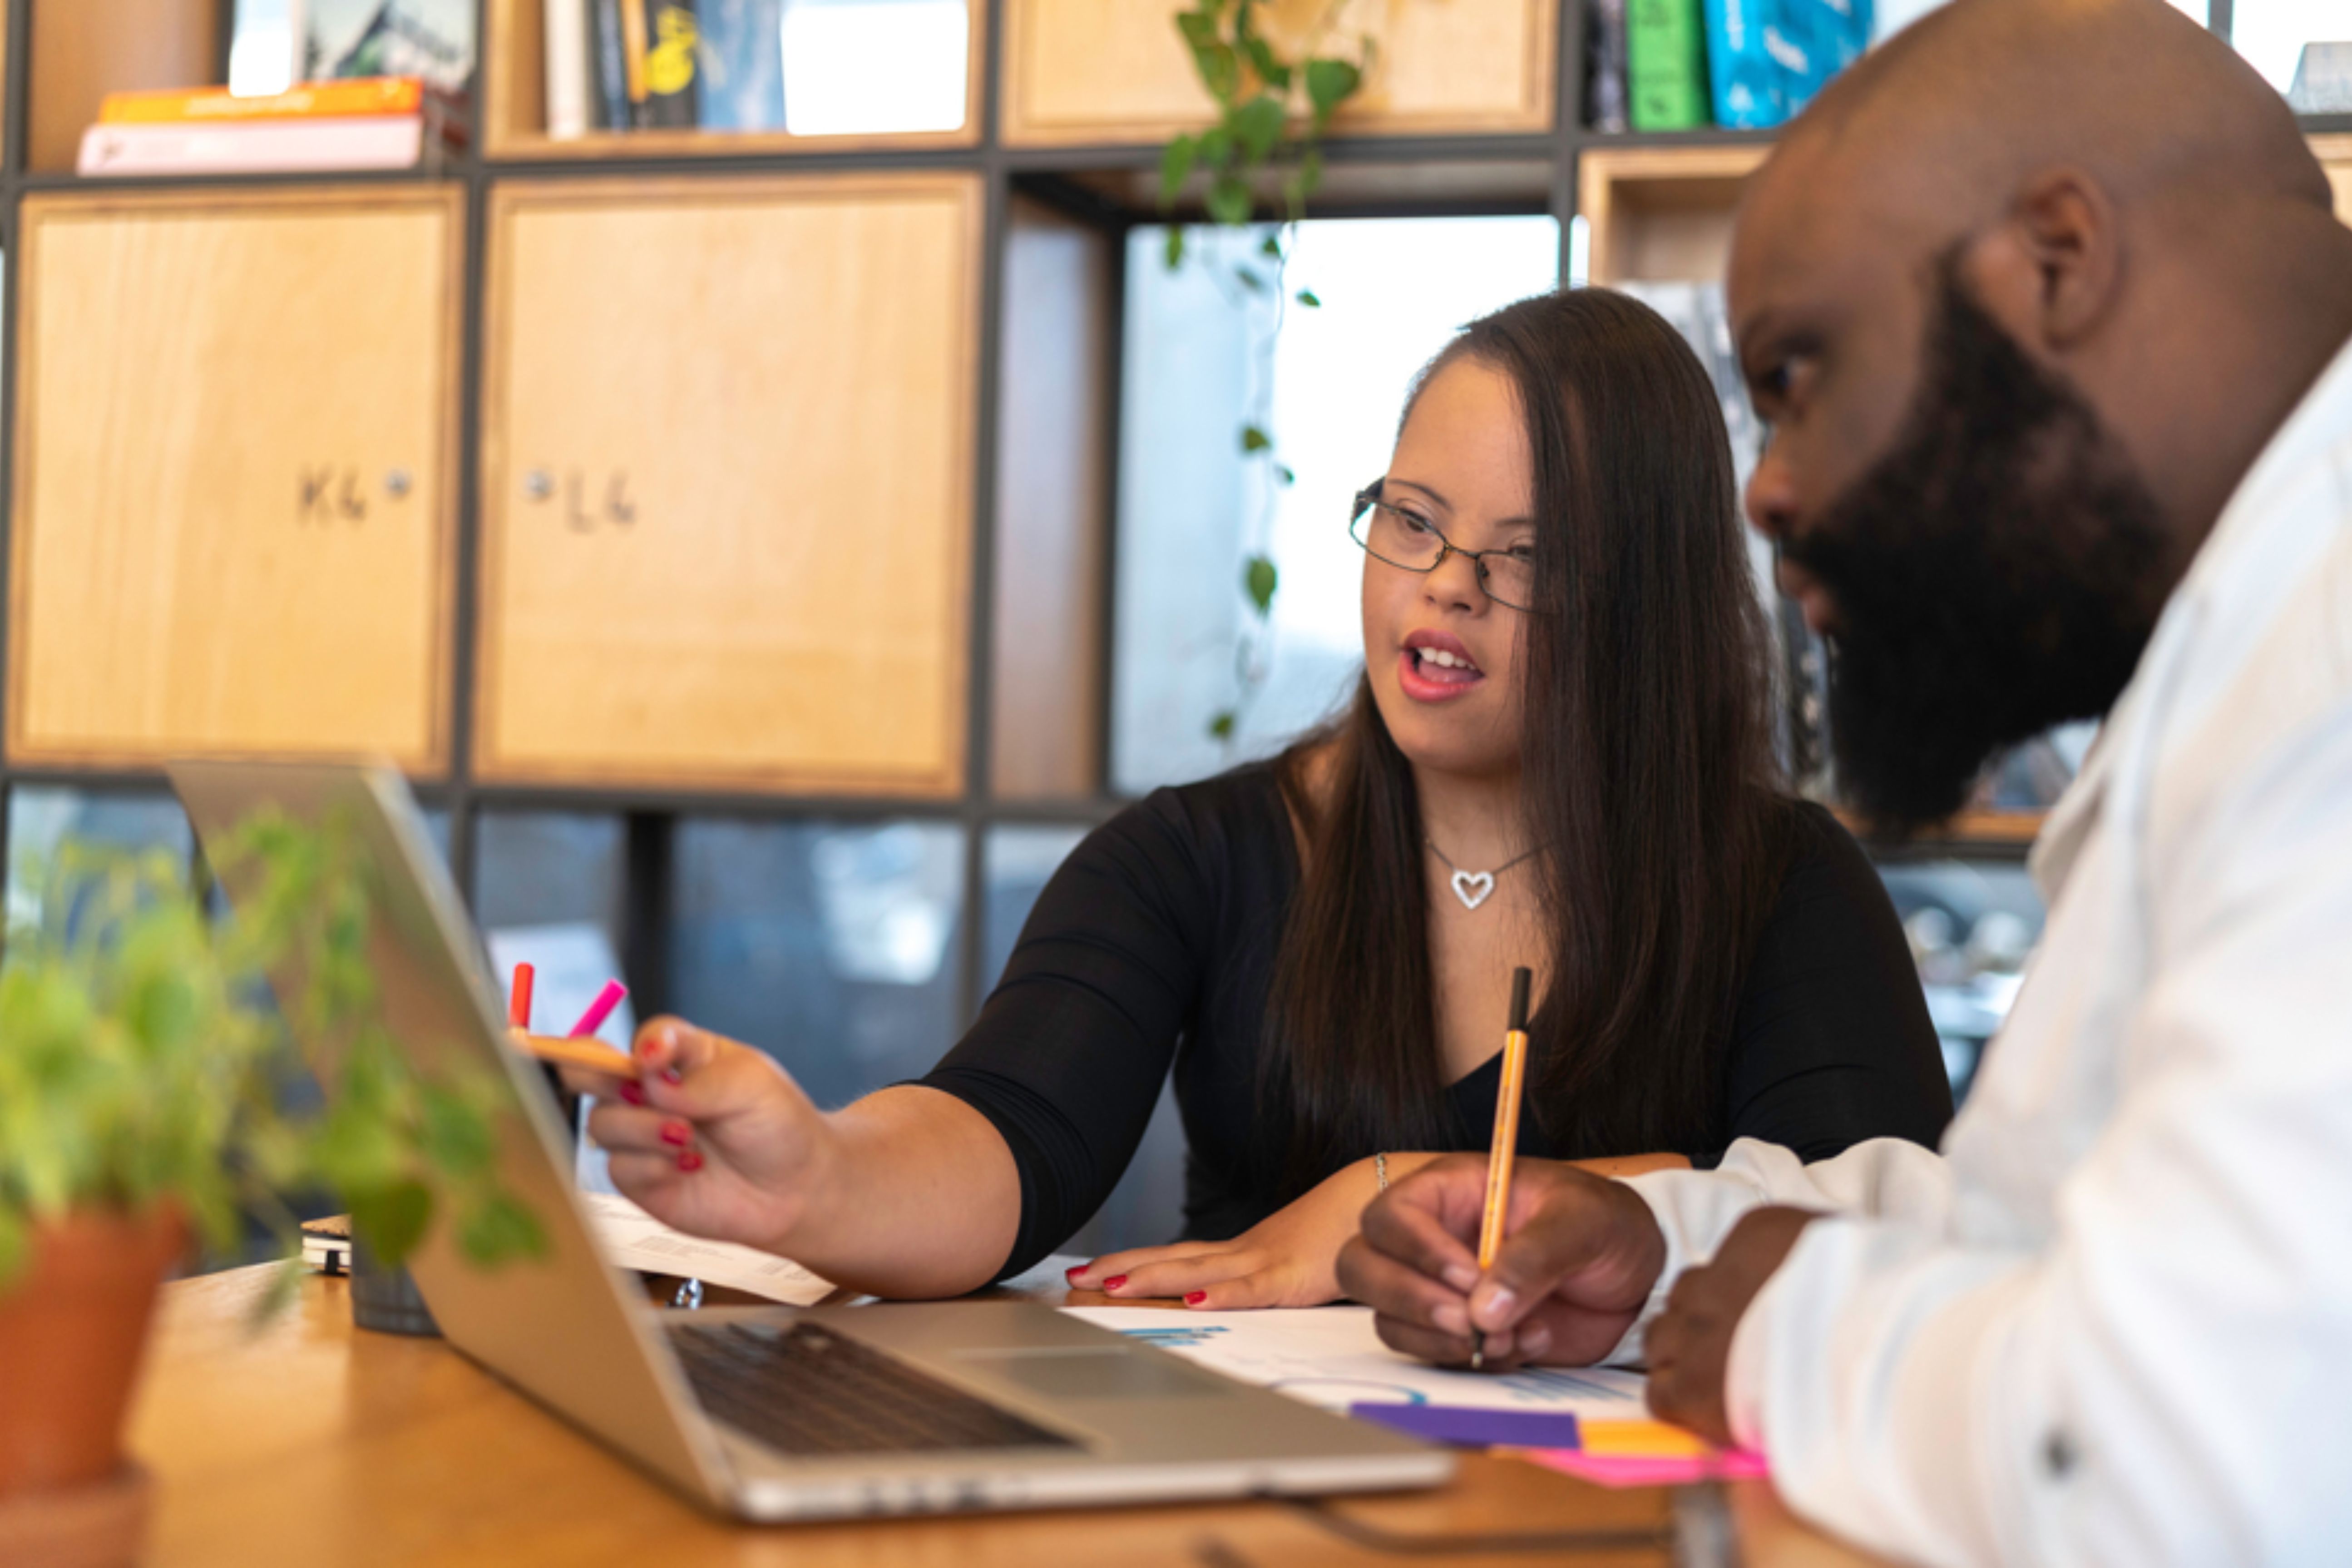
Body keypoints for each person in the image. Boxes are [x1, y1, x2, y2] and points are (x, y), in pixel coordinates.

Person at [1336, 1, 2352, 1562]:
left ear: (2056, 265)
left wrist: (1793, 1340)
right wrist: (1667, 1255)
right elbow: (2051, 1228)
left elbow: (2178, 1466)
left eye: (1800, 373)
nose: (1766, 487)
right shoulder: (2252, 649)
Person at [566, 290, 1951, 1307]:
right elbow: (1003, 1134)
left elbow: (1876, 1228)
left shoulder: (1784, 888)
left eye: (1524, 556)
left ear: (1646, 609)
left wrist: (1394, 1189)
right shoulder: (1196, 857)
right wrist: (811, 1174)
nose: (1444, 586)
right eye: (1413, 521)